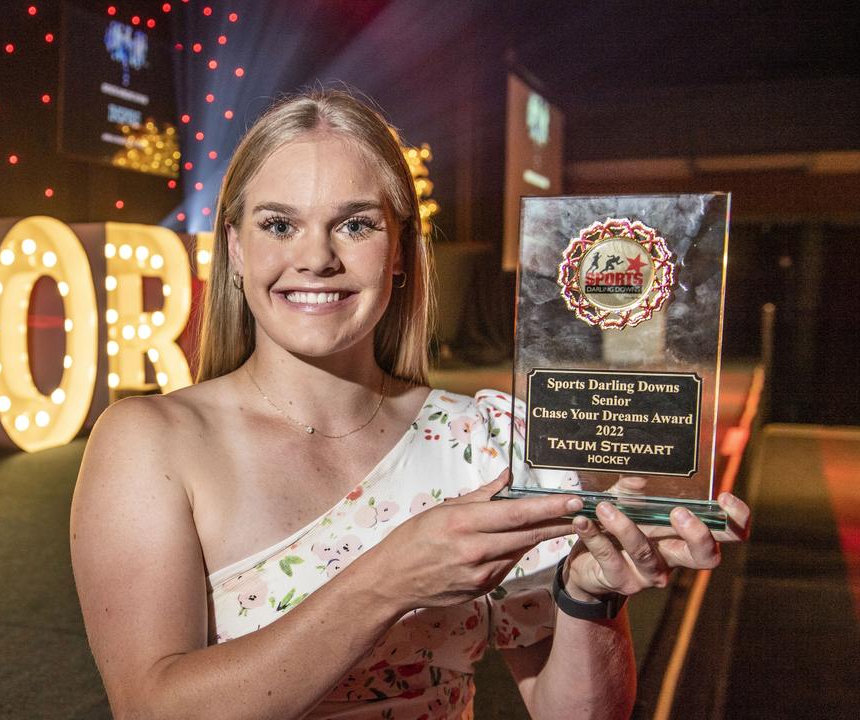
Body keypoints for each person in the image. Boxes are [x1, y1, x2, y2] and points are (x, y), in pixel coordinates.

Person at [69, 89, 750, 720]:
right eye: (278, 224)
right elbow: (149, 708)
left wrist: (591, 594)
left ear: (399, 252)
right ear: (236, 250)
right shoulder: (150, 442)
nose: (316, 258)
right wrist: (387, 581)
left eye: (355, 225)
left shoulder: (485, 441)